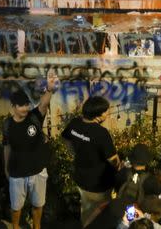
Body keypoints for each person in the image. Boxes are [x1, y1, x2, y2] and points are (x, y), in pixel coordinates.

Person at [3, 79, 55, 229]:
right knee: (16, 207)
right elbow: (7, 148)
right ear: (13, 107)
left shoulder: (34, 117)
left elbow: (43, 104)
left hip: (38, 171)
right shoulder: (7, 125)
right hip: (17, 173)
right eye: (21, 106)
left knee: (38, 205)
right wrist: (6, 168)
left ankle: (36, 226)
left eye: (27, 105)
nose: (25, 108)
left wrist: (50, 90)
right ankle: (15, 226)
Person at [61, 96, 122, 226]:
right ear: (98, 115)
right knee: (98, 216)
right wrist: (119, 167)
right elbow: (113, 160)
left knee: (86, 211)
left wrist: (73, 153)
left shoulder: (75, 123)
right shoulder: (101, 133)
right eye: (106, 111)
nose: (107, 113)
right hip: (99, 185)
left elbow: (65, 138)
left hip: (81, 179)